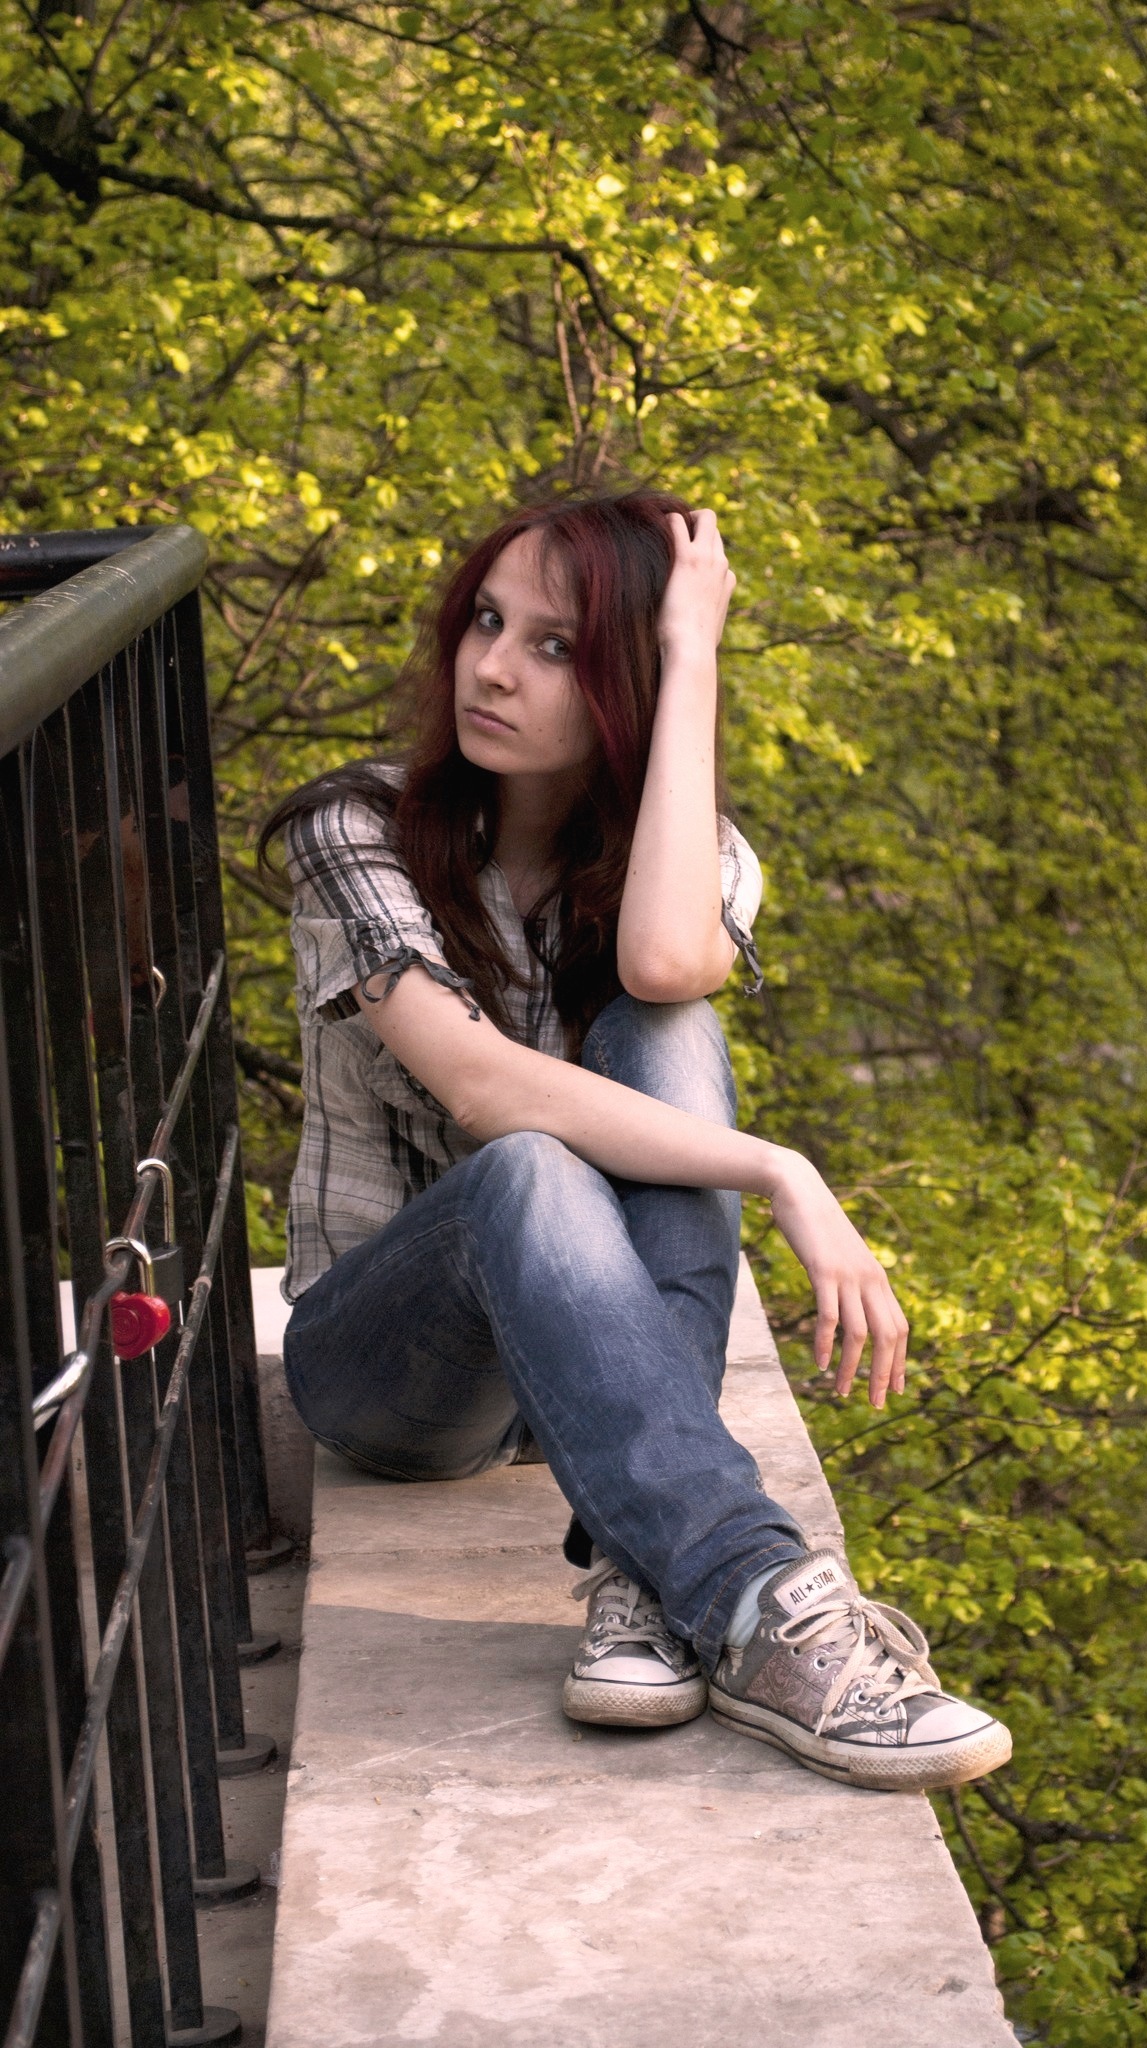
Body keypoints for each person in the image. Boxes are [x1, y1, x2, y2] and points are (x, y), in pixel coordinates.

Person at [261, 491, 1011, 1794]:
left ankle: (642, 1575)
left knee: (670, 1023)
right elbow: (483, 1089)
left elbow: (664, 961)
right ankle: (754, 1597)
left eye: (554, 646)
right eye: (486, 622)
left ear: (629, 678)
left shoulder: (696, 857)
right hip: (389, 1375)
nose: (492, 668)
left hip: (586, 1375)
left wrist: (695, 650)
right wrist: (780, 1167)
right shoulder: (356, 829)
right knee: (528, 1161)